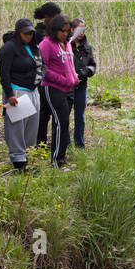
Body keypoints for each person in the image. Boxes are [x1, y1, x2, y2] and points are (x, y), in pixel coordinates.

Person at [0, 17, 44, 171]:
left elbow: (40, 66)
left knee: (31, 127)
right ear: (18, 33)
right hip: (17, 91)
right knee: (16, 128)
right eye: (26, 34)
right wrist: (10, 94)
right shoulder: (9, 48)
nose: (29, 36)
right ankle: (18, 161)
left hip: (33, 91)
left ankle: (26, 156)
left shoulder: (33, 48)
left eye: (31, 33)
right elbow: (4, 74)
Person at [38, 13, 79, 167]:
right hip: (53, 88)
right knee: (60, 121)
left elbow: (70, 65)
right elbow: (43, 69)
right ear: (55, 30)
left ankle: (61, 157)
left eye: (68, 31)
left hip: (69, 88)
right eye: (63, 31)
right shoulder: (46, 44)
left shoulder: (67, 44)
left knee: (64, 122)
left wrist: (74, 78)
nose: (66, 34)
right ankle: (57, 160)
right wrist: (61, 79)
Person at [32, 1, 62, 146]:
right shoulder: (38, 34)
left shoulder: (55, 33)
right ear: (47, 17)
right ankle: (40, 142)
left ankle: (48, 141)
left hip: (56, 77)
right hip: (43, 77)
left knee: (50, 110)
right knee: (44, 111)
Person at [70, 17, 97, 148]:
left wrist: (87, 71)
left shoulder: (87, 47)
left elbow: (93, 65)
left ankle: (79, 143)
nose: (81, 33)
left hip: (81, 85)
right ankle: (66, 143)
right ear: (72, 29)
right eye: (79, 29)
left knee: (79, 116)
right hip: (67, 86)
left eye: (83, 29)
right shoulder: (66, 45)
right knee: (65, 116)